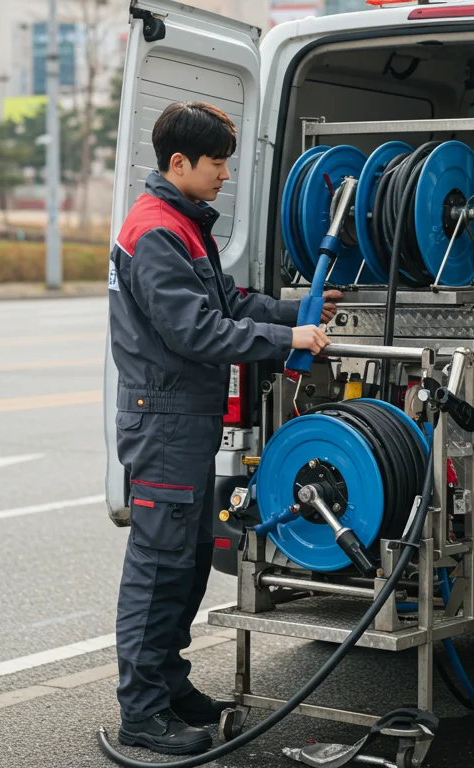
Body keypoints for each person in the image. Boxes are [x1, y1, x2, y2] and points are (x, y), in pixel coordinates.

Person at [108, 101, 339, 755]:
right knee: (159, 566)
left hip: (182, 419)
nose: (225, 175)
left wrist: (298, 310)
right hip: (164, 421)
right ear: (179, 162)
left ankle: (169, 687)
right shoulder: (156, 231)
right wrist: (288, 338)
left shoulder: (182, 224)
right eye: (217, 163)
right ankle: (141, 713)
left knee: (184, 564)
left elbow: (227, 302)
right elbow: (196, 331)